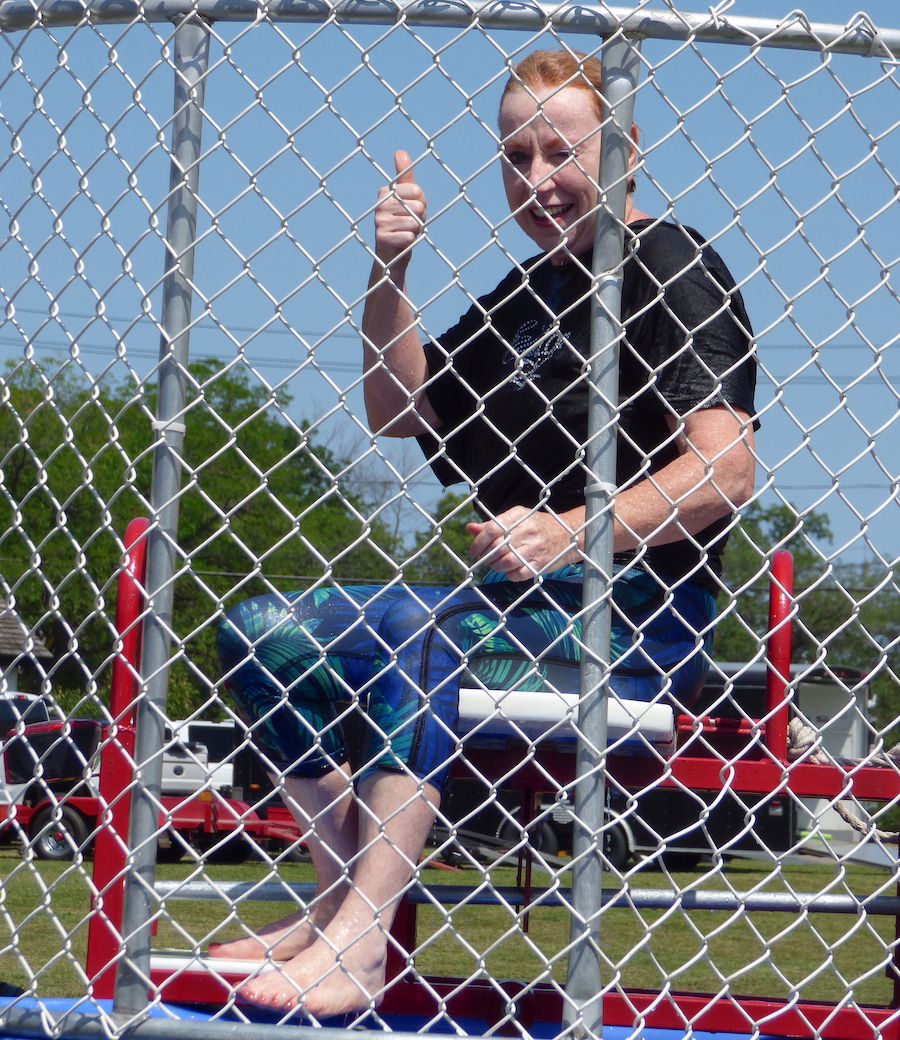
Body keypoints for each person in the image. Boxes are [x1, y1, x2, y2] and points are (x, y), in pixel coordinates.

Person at [210, 50, 757, 1016]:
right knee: (261, 629)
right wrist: (390, 267)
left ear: (626, 151)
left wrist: (571, 531)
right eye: (515, 156)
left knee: (421, 634)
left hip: (636, 625)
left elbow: (725, 470)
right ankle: (335, 904)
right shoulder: (525, 294)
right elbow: (398, 407)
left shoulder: (671, 264)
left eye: (561, 152)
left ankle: (362, 942)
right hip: (504, 617)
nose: (536, 179)